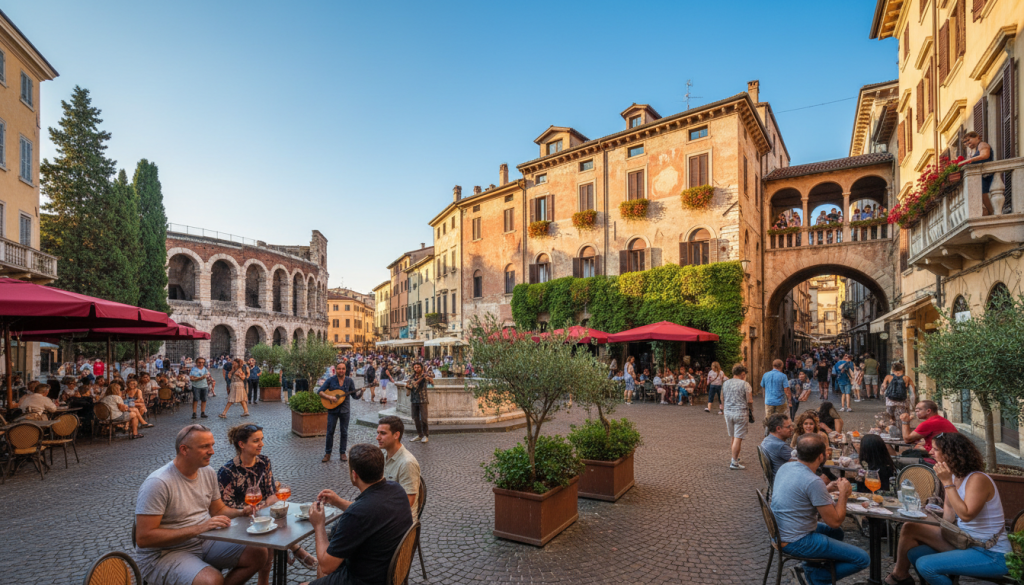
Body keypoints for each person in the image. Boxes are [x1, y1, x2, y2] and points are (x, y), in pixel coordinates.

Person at [135, 424, 268, 585]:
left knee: (259, 552)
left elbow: (218, 509)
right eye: (205, 447)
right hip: (164, 554)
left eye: (212, 445)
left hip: (203, 540)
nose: (212, 451)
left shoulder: (207, 472)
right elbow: (143, 538)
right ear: (184, 450)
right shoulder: (159, 483)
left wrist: (241, 512)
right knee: (211, 580)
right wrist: (200, 528)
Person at [885, 432, 1010, 585]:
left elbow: (966, 515)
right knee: (913, 544)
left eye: (935, 449)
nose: (930, 452)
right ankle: (901, 577)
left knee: (926, 565)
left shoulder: (978, 479)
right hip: (965, 542)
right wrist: (926, 515)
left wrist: (947, 483)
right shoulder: (955, 477)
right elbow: (949, 515)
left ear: (950, 454)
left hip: (991, 554)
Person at [304, 444, 414, 585]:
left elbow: (327, 566)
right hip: (390, 572)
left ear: (354, 475)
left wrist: (319, 525)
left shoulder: (357, 514)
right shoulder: (397, 490)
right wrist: (338, 501)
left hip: (365, 579)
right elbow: (371, 512)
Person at [217, 423, 317, 576]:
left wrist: (268, 502)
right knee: (269, 532)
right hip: (238, 522)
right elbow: (223, 509)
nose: (262, 444)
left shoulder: (264, 462)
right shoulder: (227, 471)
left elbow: (271, 493)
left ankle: (288, 551)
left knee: (276, 517)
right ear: (242, 444)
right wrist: (244, 510)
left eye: (261, 439)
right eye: (256, 441)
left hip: (261, 515)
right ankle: (295, 549)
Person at [770, 434, 868, 585]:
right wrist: (843, 493)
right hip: (795, 540)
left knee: (836, 533)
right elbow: (834, 521)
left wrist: (826, 488)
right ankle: (818, 577)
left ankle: (812, 568)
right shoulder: (813, 481)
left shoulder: (786, 467)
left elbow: (802, 494)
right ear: (821, 456)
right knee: (862, 559)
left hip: (780, 533)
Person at [377, 415, 421, 518]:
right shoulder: (382, 456)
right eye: (378, 433)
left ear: (396, 435)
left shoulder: (407, 463)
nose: (377, 437)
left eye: (383, 433)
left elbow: (408, 501)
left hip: (399, 522)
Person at [319, 363, 359, 463]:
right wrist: (330, 397)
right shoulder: (330, 380)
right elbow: (320, 391)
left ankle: (342, 453)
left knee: (344, 432)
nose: (341, 370)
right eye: (339, 369)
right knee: (330, 432)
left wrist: (361, 392)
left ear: (345, 370)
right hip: (332, 410)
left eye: (343, 369)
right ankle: (328, 453)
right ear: (336, 369)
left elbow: (354, 396)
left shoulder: (349, 381)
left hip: (345, 410)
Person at [722, 364, 753, 470]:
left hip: (728, 412)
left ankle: (735, 457)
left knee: (733, 436)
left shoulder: (726, 383)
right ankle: (734, 462)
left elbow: (722, 397)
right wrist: (751, 409)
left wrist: (724, 409)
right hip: (740, 412)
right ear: (742, 374)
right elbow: (749, 400)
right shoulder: (745, 384)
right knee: (738, 437)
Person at [962, 131, 995, 215]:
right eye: (966, 143)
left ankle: (991, 212)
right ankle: (989, 212)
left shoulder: (982, 144)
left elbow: (985, 155)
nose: (968, 144)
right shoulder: (977, 148)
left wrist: (969, 160)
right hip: (982, 176)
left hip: (986, 175)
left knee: (984, 195)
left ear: (977, 137)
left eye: (969, 140)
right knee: (982, 196)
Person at [406, 362, 433, 443]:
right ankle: (419, 434)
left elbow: (432, 381)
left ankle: (426, 435)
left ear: (421, 368)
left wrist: (429, 379)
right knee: (416, 418)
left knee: (424, 418)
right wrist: (408, 387)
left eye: (418, 367)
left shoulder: (424, 376)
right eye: (415, 367)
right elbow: (408, 391)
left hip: (423, 399)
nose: (416, 369)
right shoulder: (411, 377)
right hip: (414, 400)